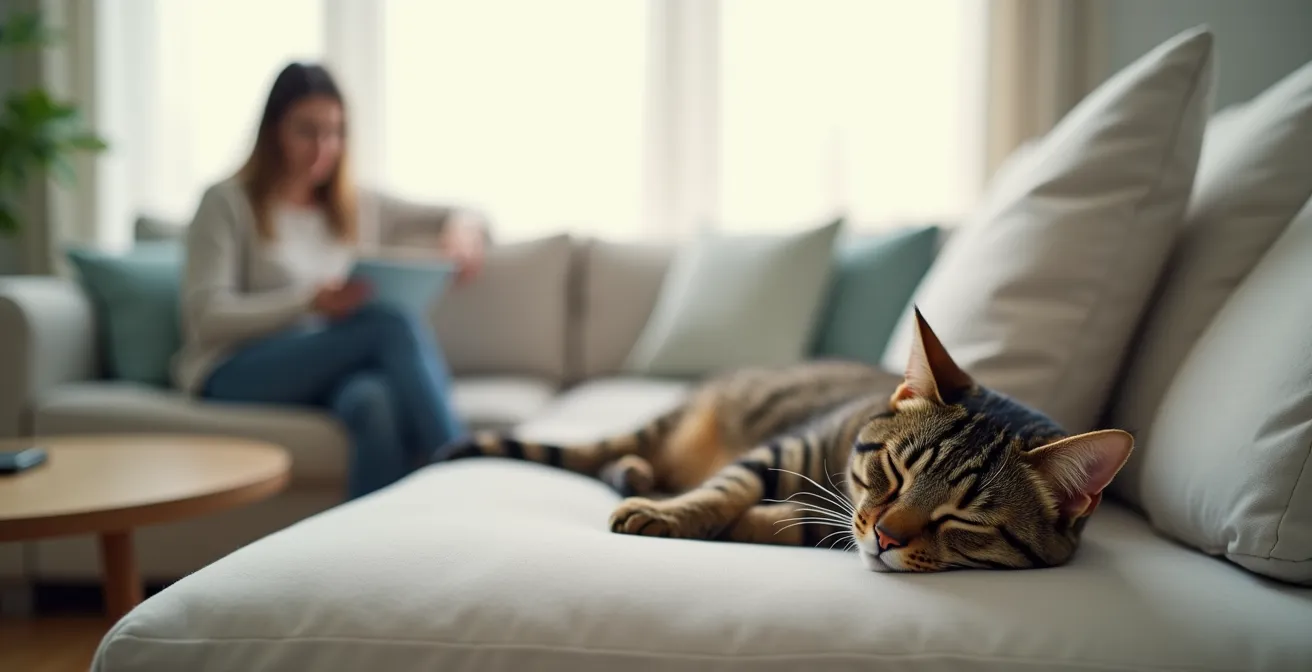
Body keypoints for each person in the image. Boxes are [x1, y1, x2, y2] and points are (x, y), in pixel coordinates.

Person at [172, 62, 488, 499]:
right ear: (274, 130)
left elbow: (463, 209)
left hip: (323, 365)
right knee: (390, 324)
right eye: (307, 131)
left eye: (335, 132)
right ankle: (468, 481)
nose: (323, 147)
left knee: (372, 401)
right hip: (235, 369)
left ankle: (377, 554)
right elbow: (205, 317)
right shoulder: (226, 202)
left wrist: (463, 230)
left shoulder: (352, 202)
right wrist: (308, 303)